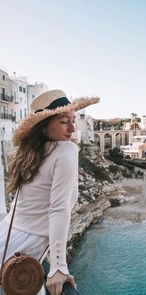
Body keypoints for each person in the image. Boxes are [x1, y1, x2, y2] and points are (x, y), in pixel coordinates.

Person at [0, 89, 99, 295]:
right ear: (43, 127)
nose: (72, 129)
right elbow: (59, 208)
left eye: (73, 120)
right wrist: (58, 267)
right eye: (64, 122)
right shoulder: (66, 150)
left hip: (7, 236)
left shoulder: (32, 152)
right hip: (25, 247)